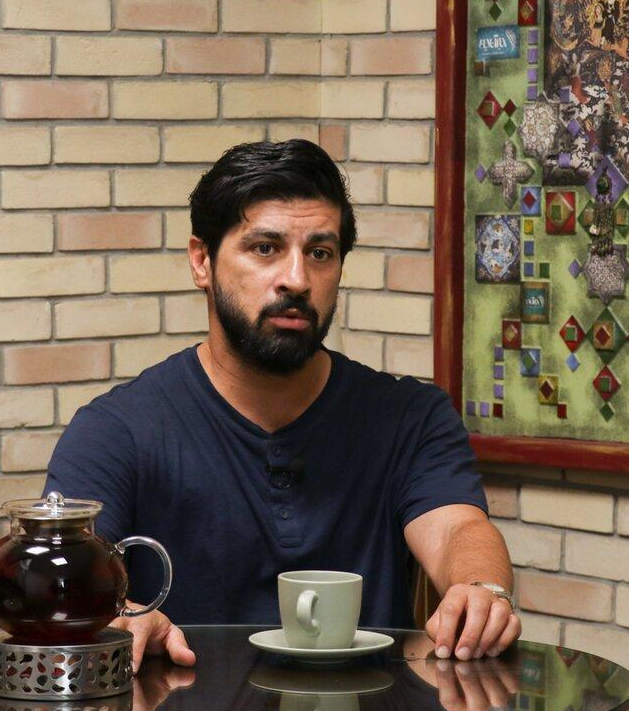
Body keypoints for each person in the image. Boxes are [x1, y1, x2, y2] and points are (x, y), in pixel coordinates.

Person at [43, 139, 520, 673]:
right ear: (201, 261)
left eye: (320, 253)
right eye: (265, 248)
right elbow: (65, 575)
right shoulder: (115, 430)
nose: (297, 279)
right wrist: (116, 615)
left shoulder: (411, 417)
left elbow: (458, 530)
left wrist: (481, 589)